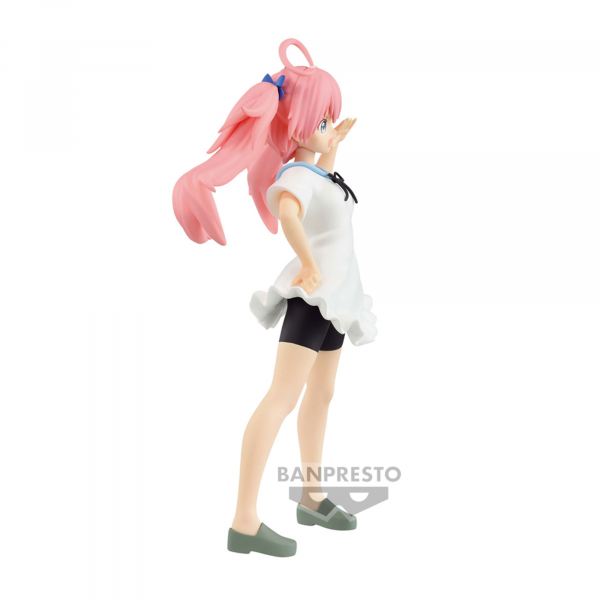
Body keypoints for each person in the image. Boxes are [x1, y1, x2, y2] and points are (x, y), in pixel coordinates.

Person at [172, 38, 377, 557]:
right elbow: (289, 211)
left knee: (322, 394)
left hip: (337, 300)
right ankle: (244, 520)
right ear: (295, 124)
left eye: (330, 119)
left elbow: (320, 195)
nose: (328, 126)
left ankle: (312, 497)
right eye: (321, 119)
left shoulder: (315, 171)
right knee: (282, 398)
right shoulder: (296, 175)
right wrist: (306, 262)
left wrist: (331, 146)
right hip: (314, 297)